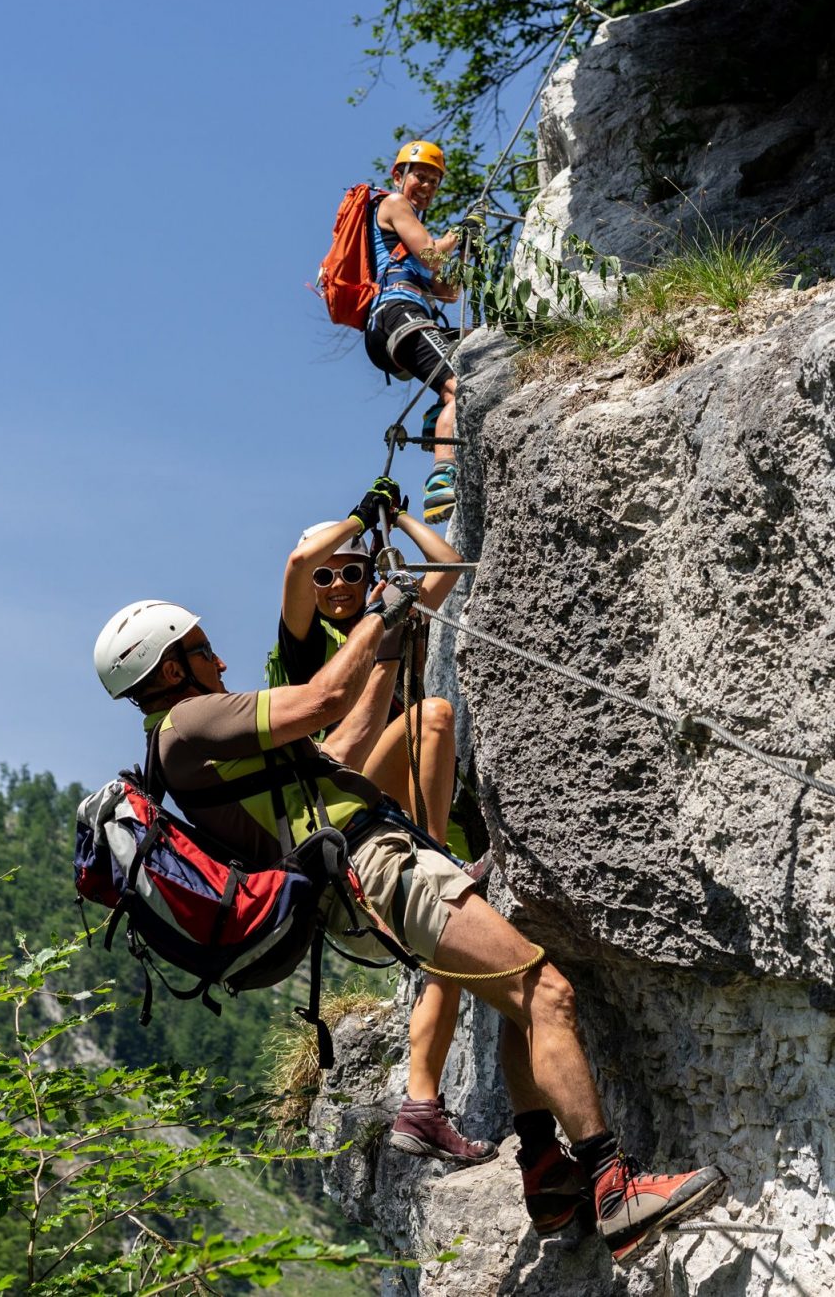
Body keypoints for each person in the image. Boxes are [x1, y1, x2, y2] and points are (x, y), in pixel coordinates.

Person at [91, 597, 725, 1265]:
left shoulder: (188, 746)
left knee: (521, 996)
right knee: (547, 993)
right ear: (167, 669)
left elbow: (339, 747)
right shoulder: (188, 721)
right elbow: (322, 697)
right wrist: (380, 614)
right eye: (200, 649)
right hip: (382, 868)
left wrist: (390, 649)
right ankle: (613, 1186)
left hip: (366, 882)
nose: (218, 659)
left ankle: (547, 1169)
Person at [269, 478, 485, 1166]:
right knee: (435, 715)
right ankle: (434, 854)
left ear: (368, 573)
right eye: (330, 574)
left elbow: (447, 568)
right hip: (344, 803)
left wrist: (398, 519)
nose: (336, 583)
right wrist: (363, 516)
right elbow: (299, 568)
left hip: (383, 800)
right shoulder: (306, 645)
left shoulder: (391, 613)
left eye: (351, 571)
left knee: (451, 943)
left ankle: (422, 1103)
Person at [364, 139, 482, 524]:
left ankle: (436, 417)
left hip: (397, 321)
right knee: (461, 386)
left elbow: (448, 292)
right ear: (399, 175)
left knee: (473, 353)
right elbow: (432, 253)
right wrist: (456, 233)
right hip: (399, 313)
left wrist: (462, 249)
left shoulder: (406, 230)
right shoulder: (394, 205)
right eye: (420, 176)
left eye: (434, 180)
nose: (428, 186)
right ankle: (442, 473)